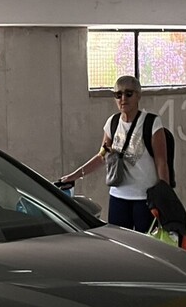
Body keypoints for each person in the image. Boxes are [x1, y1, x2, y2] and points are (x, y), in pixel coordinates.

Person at [60, 75, 170, 232]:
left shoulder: (152, 123)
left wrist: (165, 197)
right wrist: (74, 176)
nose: (123, 99)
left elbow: (161, 161)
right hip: (118, 197)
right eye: (118, 95)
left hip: (145, 199)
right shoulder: (112, 123)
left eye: (128, 94)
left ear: (138, 95)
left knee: (145, 246)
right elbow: (102, 156)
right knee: (119, 244)